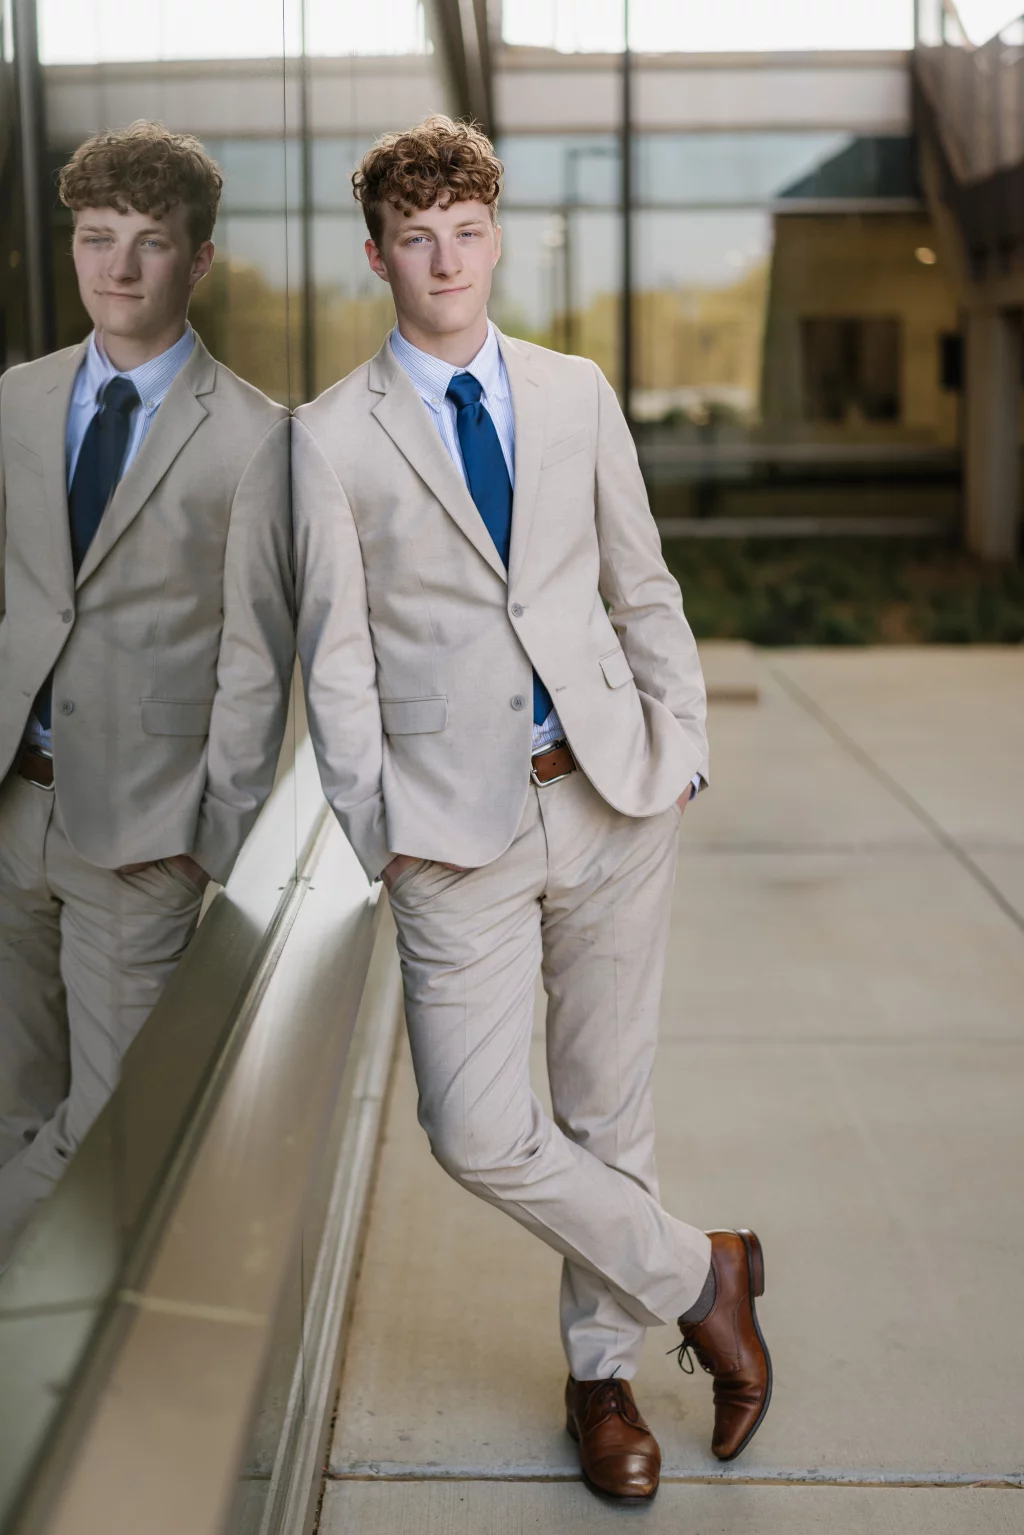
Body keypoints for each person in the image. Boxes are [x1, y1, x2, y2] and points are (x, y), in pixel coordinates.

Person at [293, 115, 770, 1503]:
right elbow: (336, 658)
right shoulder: (328, 438)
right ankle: (708, 1270)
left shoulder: (573, 392)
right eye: (418, 239)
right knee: (478, 1126)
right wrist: (379, 829)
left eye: (468, 232)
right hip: (453, 832)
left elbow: (644, 582)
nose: (447, 262)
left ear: (495, 236)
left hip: (613, 796)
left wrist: (677, 743)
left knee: (607, 1109)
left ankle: (600, 1375)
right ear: (379, 254)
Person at [0, 121, 294, 1266]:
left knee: (109, 1124)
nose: (118, 267)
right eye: (95, 238)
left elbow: (256, 660)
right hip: (14, 807)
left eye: (151, 242)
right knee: (18, 1106)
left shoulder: (259, 439)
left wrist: (207, 839)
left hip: (144, 837)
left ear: (199, 260)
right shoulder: (17, 404)